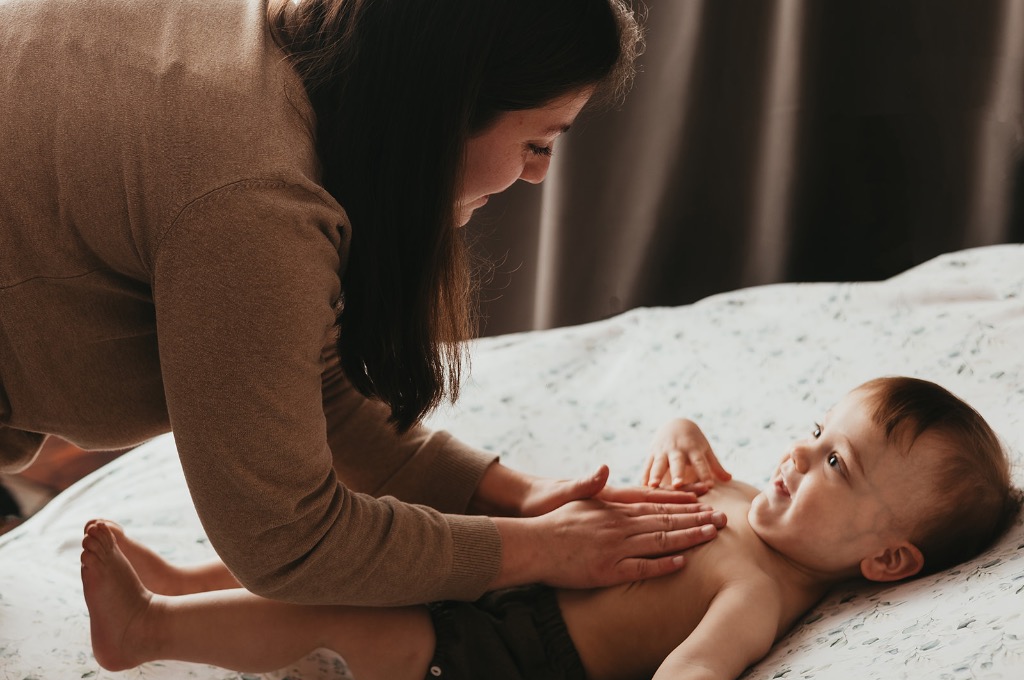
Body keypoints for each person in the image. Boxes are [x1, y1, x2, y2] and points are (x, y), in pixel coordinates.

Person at [0, 0, 728, 607]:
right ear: (448, 108)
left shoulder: (286, 55)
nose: (537, 176)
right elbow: (288, 539)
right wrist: (541, 550)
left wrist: (512, 492)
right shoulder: (256, 200)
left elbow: (305, 384)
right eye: (538, 142)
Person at [80, 376, 1021, 680]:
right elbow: (681, 455)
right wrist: (681, 426)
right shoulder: (745, 497)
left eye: (835, 465)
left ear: (887, 561)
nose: (796, 456)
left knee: (338, 611)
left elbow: (698, 669)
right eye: (815, 432)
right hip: (506, 572)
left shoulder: (759, 586)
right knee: (364, 533)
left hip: (493, 667)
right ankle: (191, 573)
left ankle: (149, 627)